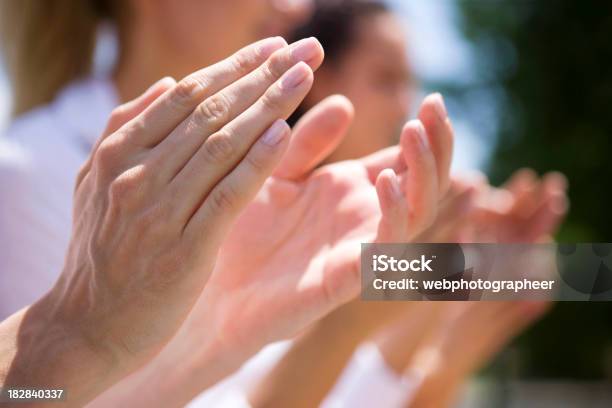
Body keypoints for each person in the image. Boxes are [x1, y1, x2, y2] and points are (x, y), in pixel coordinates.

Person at [0, 37, 452, 407]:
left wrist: (510, 276)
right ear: (325, 82)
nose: (293, 8)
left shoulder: (268, 215)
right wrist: (74, 333)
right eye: (385, 80)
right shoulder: (28, 171)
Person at [0, 0, 313, 318]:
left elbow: (355, 360)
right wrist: (342, 325)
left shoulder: (273, 160)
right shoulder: (26, 175)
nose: (296, 8)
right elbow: (68, 363)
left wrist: (363, 290)